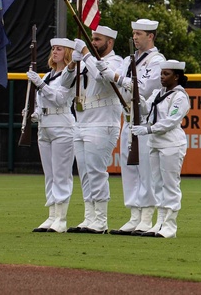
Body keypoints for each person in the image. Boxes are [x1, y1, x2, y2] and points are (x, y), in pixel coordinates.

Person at [111, 18, 167, 235]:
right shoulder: (128, 60)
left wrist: (118, 79)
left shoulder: (156, 60)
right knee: (130, 169)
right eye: (133, 33)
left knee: (145, 169)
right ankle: (134, 214)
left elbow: (143, 89)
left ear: (150, 36)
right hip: (127, 118)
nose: (135, 37)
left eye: (139, 34)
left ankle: (146, 215)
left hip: (143, 120)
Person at [67, 25, 125, 234]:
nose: (93, 43)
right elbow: (66, 83)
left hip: (102, 123)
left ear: (109, 42)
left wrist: (84, 54)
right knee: (84, 172)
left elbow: (103, 78)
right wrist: (74, 62)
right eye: (92, 39)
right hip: (82, 121)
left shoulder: (115, 61)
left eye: (98, 40)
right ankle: (89, 218)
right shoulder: (86, 62)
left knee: (96, 171)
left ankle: (100, 220)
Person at [131, 60, 190, 238]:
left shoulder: (180, 97)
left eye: (166, 74)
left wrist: (148, 129)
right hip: (155, 143)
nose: (162, 77)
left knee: (170, 184)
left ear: (177, 76)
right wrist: (135, 94)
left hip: (171, 143)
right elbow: (145, 109)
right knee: (157, 185)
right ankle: (160, 222)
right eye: (161, 74)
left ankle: (170, 225)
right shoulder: (157, 93)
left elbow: (171, 121)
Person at [27, 37, 77, 233]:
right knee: (49, 174)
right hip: (45, 125)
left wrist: (40, 85)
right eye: (53, 49)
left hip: (62, 125)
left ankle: (61, 218)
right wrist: (35, 113)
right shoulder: (48, 76)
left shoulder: (69, 74)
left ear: (67, 53)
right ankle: (51, 215)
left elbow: (59, 99)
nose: (55, 52)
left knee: (61, 173)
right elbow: (44, 102)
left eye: (59, 49)